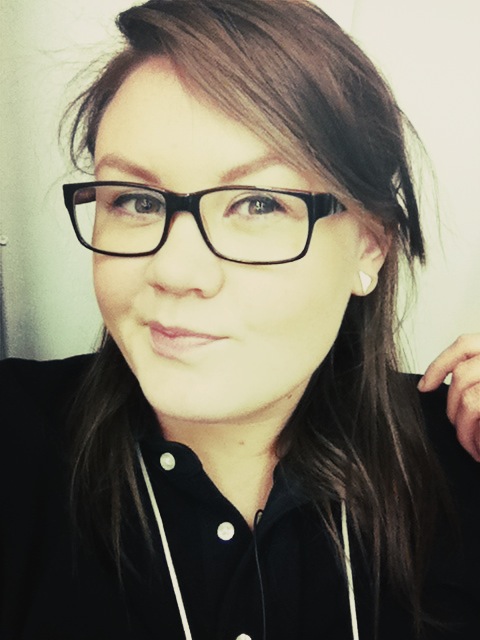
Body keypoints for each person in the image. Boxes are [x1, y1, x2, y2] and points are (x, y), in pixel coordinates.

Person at [1, 1, 479, 638]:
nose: (175, 271)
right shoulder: (19, 446)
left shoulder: (459, 465)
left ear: (369, 246)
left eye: (258, 204)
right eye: (136, 200)